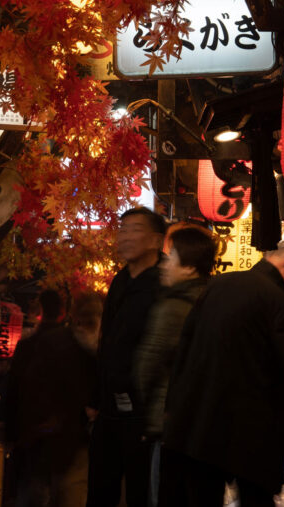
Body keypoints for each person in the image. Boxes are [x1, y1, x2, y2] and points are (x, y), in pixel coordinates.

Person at [162, 236, 284, 506]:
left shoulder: (218, 286)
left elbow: (183, 352)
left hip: (196, 432)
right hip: (248, 442)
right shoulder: (280, 304)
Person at [87, 207, 166, 507]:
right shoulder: (120, 281)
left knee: (141, 493)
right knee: (99, 491)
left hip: (144, 414)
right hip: (109, 409)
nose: (125, 237)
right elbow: (106, 344)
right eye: (123, 230)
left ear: (156, 241)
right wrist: (95, 398)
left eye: (134, 229)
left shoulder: (164, 283)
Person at [134, 225, 214, 506]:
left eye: (171, 258)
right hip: (208, 431)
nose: (164, 265)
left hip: (171, 427)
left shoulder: (173, 307)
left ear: (190, 267)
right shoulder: (214, 303)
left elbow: (147, 365)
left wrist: (144, 412)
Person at [5, 289, 96, 507]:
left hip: (34, 438)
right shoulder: (79, 347)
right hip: (69, 441)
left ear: (40, 311)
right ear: (64, 313)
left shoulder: (29, 345)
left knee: (33, 495)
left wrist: (11, 431)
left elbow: (15, 389)